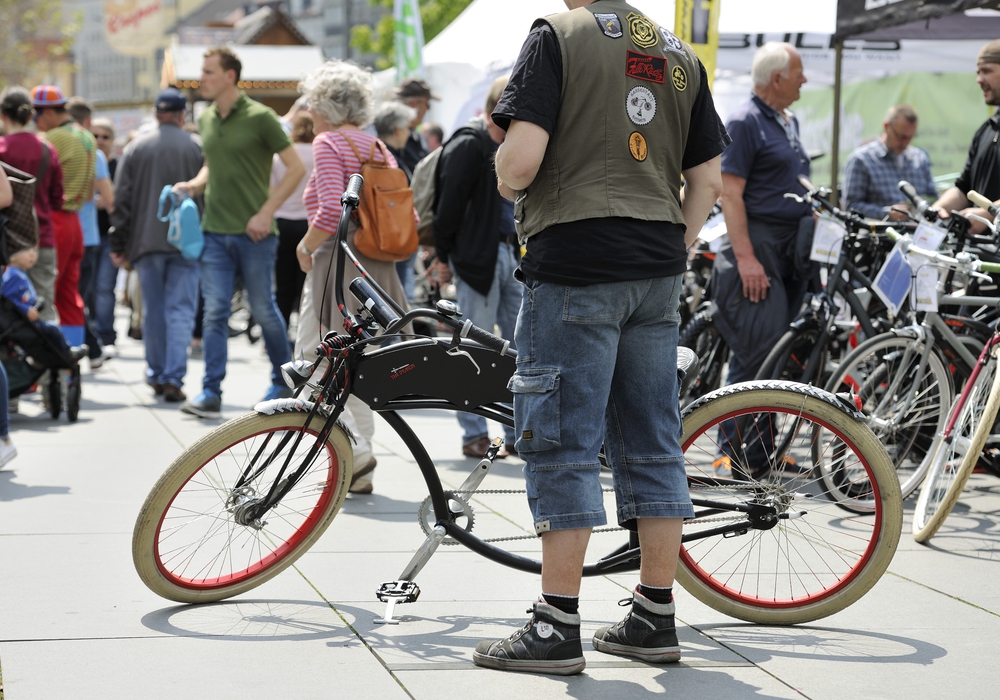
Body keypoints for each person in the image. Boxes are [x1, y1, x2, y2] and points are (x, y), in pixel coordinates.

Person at [478, 0, 727, 675]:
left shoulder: (555, 35)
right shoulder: (679, 53)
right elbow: (707, 179)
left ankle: (555, 624)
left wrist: (501, 168)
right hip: (656, 268)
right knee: (651, 436)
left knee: (561, 439)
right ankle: (654, 614)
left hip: (578, 258)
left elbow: (522, 162)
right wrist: (673, 241)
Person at [294, 60, 413, 495]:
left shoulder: (328, 142)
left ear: (322, 103)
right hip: (378, 267)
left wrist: (304, 247)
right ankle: (360, 461)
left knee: (317, 357)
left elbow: (328, 210)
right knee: (360, 366)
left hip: (338, 262)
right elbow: (408, 211)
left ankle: (354, 453)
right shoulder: (378, 147)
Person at [173, 47, 306, 418]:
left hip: (257, 235)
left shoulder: (262, 117)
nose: (202, 78)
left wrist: (266, 212)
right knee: (215, 313)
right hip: (213, 232)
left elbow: (295, 169)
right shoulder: (208, 118)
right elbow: (211, 166)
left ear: (230, 76)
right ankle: (210, 392)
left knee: (264, 310)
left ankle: (281, 382)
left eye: (209, 71)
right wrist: (194, 185)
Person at [712, 42, 812, 396]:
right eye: (799, 74)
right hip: (760, 245)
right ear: (777, 77)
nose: (805, 80)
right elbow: (730, 193)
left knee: (778, 354)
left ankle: (762, 451)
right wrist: (746, 259)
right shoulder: (745, 121)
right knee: (757, 350)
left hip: (789, 247)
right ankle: (730, 450)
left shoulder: (787, 119)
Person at [432, 76, 520, 459]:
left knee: (519, 348)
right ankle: (474, 434)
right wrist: (442, 256)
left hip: (510, 255)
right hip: (477, 258)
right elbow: (446, 208)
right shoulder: (470, 144)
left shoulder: (511, 143)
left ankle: (516, 432)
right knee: (474, 349)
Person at [110, 88, 205, 403]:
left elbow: (121, 200)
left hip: (147, 240)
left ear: (155, 113)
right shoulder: (196, 148)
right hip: (188, 244)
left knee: (152, 311)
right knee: (181, 310)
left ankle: (156, 372)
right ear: (181, 115)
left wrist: (119, 242)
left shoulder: (136, 148)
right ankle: (174, 377)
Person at [31, 84, 95, 347]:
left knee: (44, 292)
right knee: (69, 294)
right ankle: (70, 362)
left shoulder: (54, 138)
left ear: (45, 112)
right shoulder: (86, 136)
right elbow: (90, 193)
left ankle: (43, 369)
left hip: (54, 220)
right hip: (74, 223)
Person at [0, 86, 63, 323]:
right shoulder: (47, 149)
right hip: (41, 237)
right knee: (44, 306)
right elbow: (58, 198)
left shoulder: (1, 149)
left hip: (6, 243)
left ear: (3, 115)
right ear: (30, 116)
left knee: (7, 310)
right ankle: (52, 357)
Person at [934, 39, 1000, 230]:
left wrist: (988, 213)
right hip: (977, 253)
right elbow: (964, 189)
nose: (979, 80)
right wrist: (938, 208)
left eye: (986, 71)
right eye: (978, 73)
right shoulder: (986, 129)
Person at [67, 96, 112, 367]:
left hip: (58, 234)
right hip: (87, 237)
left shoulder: (53, 146)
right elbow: (110, 199)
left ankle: (87, 347)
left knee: (67, 296)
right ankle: (91, 348)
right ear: (88, 122)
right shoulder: (92, 154)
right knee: (78, 297)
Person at [842, 104, 937, 221]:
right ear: (886, 127)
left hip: (918, 235)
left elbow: (933, 198)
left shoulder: (920, 158)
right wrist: (886, 213)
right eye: (901, 136)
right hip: (878, 236)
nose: (905, 143)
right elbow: (851, 206)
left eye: (910, 137)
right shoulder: (861, 160)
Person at [270, 112, 315, 333]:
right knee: (306, 283)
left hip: (283, 221)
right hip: (309, 224)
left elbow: (271, 189)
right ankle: (303, 334)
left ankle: (280, 329)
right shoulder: (319, 153)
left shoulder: (282, 156)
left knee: (283, 283)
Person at [373, 101, 419, 303]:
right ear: (398, 130)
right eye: (408, 128)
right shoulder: (386, 158)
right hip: (393, 239)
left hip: (393, 238)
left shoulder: (386, 154)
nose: (410, 133)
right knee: (395, 301)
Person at [91, 117, 120, 353]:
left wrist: (110, 200)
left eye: (105, 136)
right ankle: (93, 334)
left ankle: (105, 334)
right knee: (90, 288)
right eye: (96, 136)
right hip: (89, 234)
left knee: (104, 286)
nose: (100, 141)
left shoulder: (118, 167)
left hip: (111, 235)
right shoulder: (87, 161)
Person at [394, 78, 437, 173]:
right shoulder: (392, 136)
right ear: (414, 103)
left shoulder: (417, 136)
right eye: (427, 104)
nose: (428, 109)